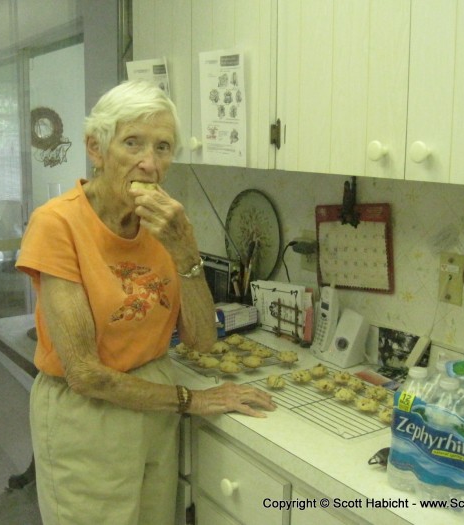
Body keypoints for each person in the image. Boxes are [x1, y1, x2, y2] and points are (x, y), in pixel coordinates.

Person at [16, 80, 276, 525]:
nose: (149, 163)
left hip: (155, 403)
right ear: (96, 148)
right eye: (132, 143)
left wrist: (186, 251)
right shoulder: (57, 223)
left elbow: (201, 341)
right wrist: (191, 400)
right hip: (89, 414)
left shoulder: (165, 224)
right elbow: (83, 373)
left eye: (163, 147)